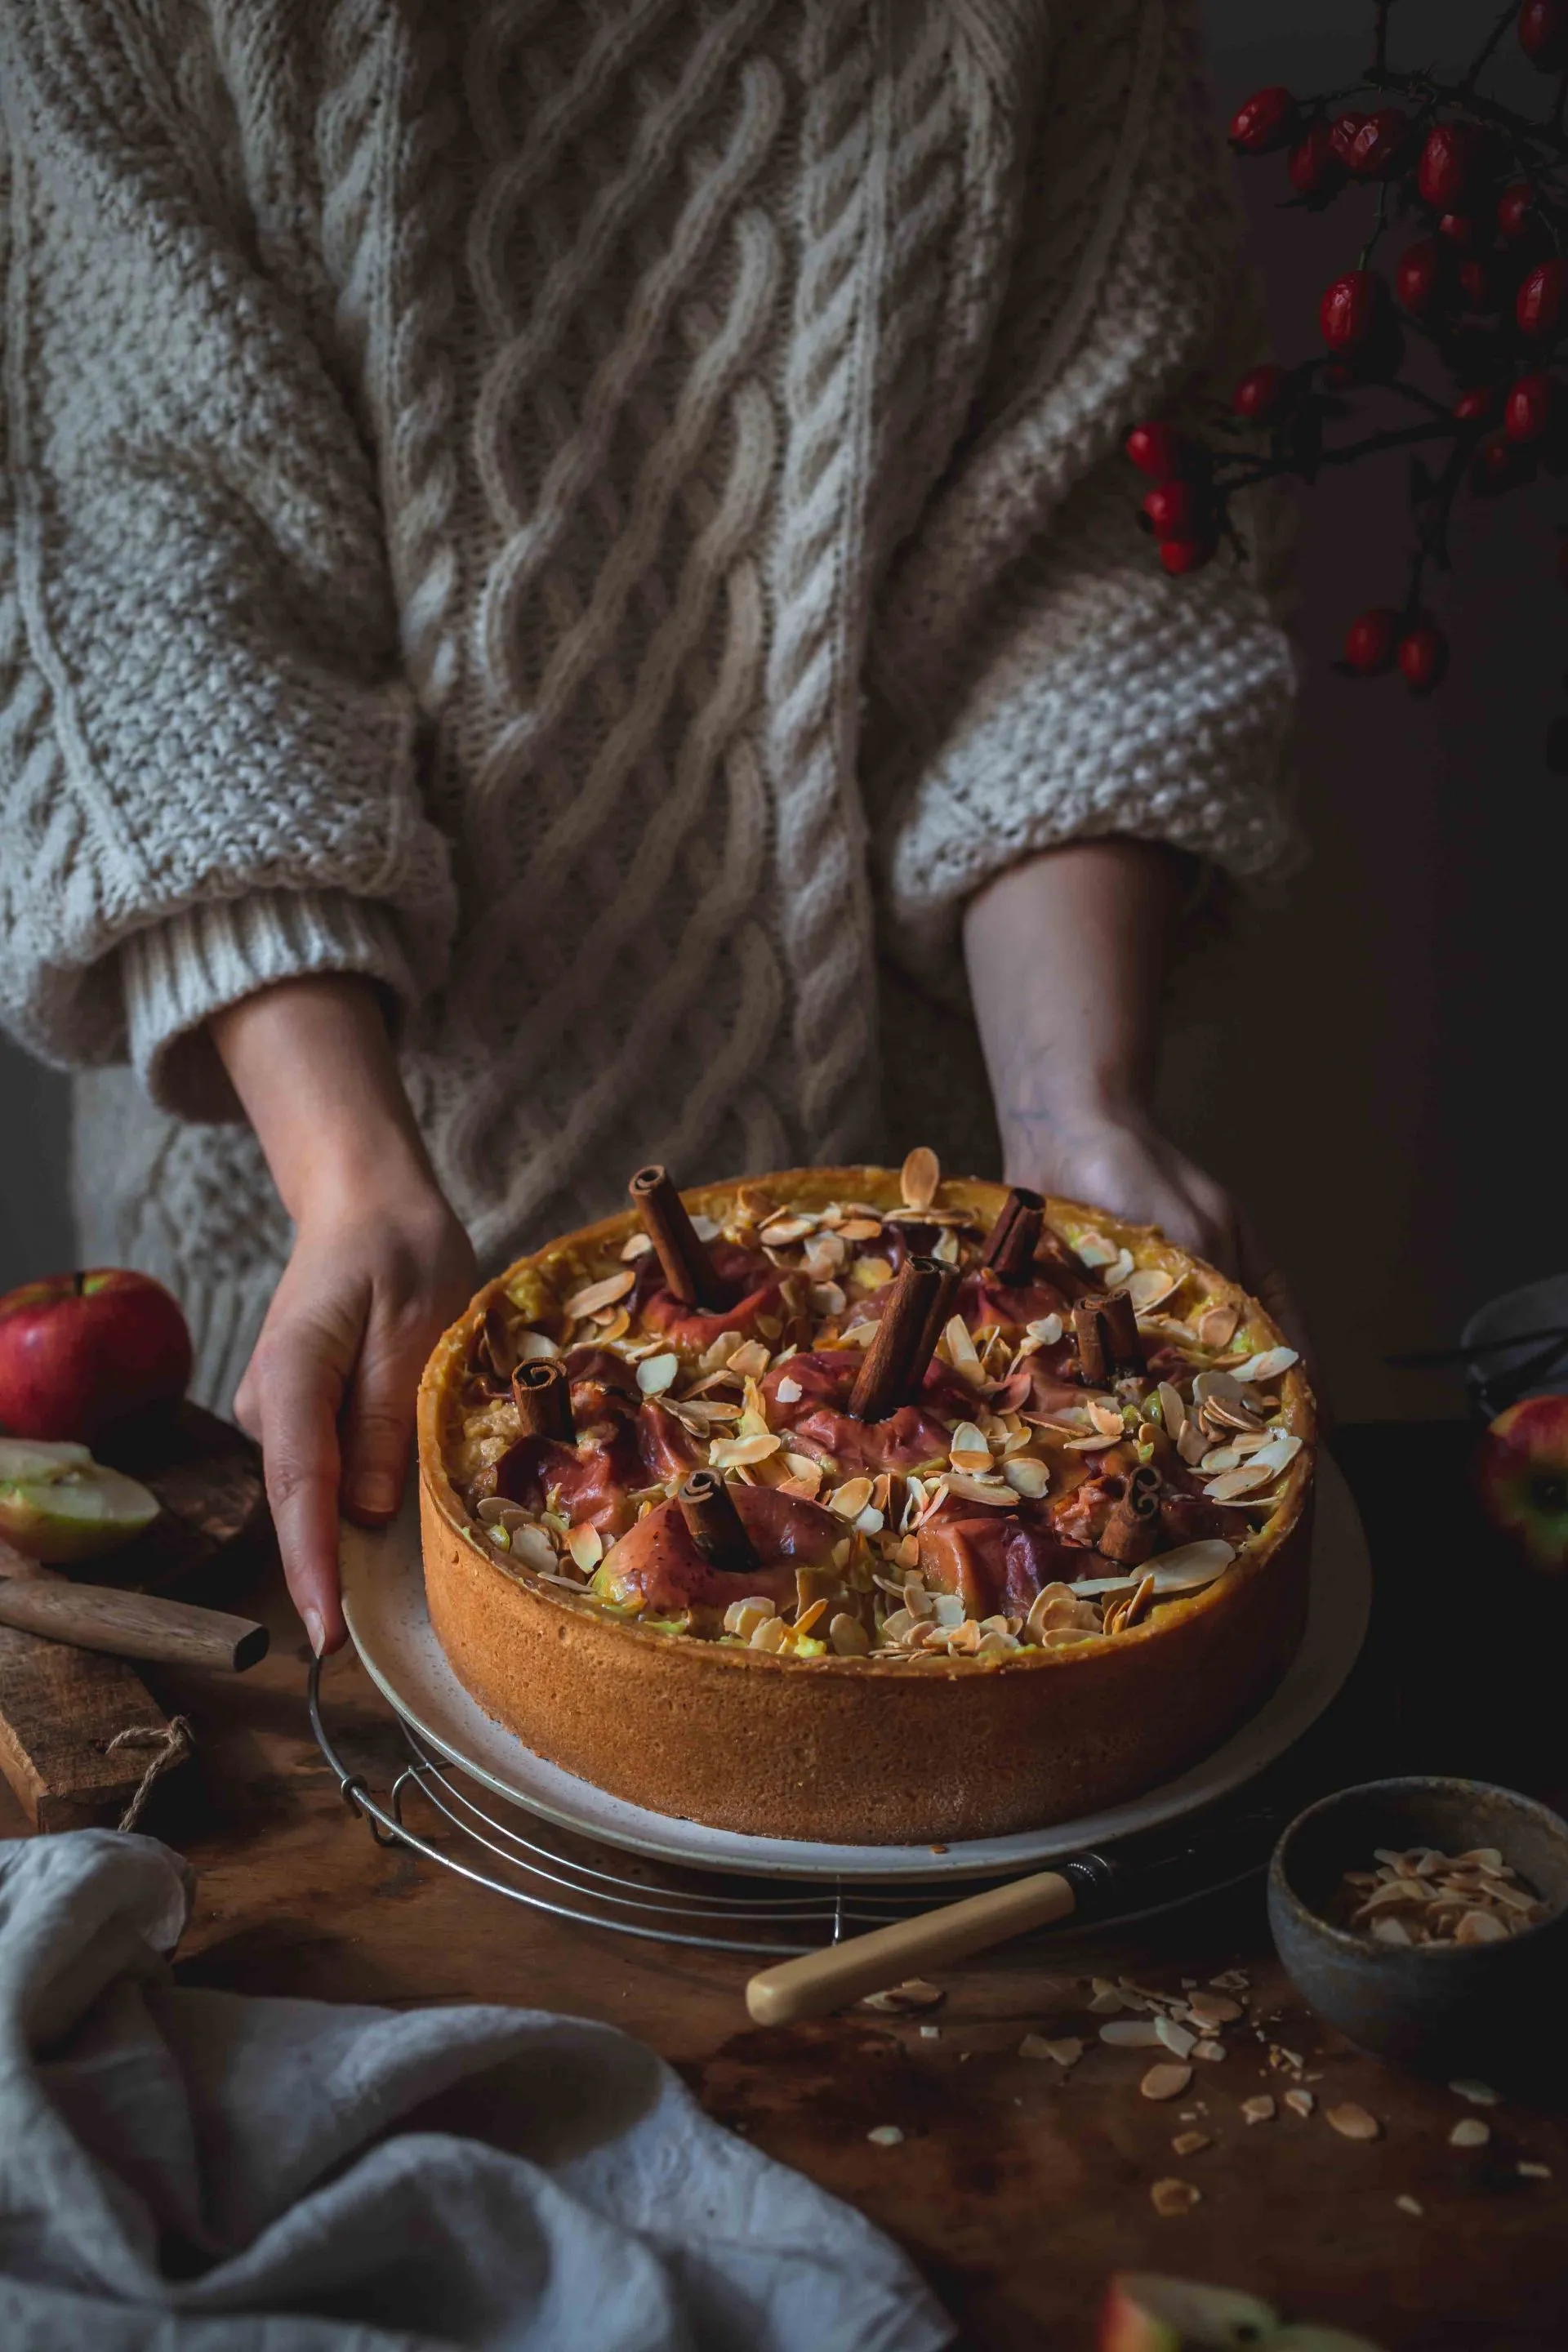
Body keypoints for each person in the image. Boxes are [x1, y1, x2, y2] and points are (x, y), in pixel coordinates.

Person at [0, 0, 1298, 1659]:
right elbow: (162, 589)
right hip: (316, 1212)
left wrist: (1075, 1111)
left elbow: (1092, 555)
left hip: (919, 1226)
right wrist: (346, 1176)